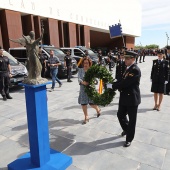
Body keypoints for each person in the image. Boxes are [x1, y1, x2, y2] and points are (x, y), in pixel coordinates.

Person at [107, 50, 141, 147]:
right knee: (120, 115)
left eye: (128, 58)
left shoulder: (135, 70)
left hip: (132, 98)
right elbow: (122, 80)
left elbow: (125, 83)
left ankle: (129, 139)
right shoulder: (127, 68)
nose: (125, 60)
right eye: (125, 58)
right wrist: (113, 83)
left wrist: (112, 86)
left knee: (132, 120)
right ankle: (127, 130)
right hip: (124, 97)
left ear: (133, 59)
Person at [78, 57, 101, 124]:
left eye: (87, 63)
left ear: (89, 63)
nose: (85, 64)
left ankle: (98, 109)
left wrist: (93, 81)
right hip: (83, 89)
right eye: (84, 63)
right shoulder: (80, 70)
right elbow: (79, 79)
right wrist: (83, 82)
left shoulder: (92, 70)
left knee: (92, 104)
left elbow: (96, 80)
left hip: (91, 89)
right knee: (83, 104)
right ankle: (86, 116)